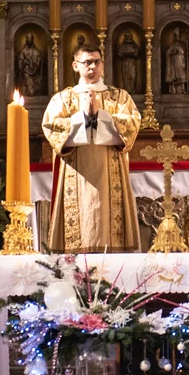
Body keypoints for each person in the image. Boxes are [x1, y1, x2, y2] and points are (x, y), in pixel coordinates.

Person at [42, 44, 141, 253]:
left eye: (97, 61)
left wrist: (100, 116)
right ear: (75, 66)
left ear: (103, 65)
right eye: (87, 62)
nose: (93, 66)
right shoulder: (63, 98)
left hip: (110, 174)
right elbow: (51, 127)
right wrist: (84, 117)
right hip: (76, 175)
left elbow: (132, 125)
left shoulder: (119, 97)